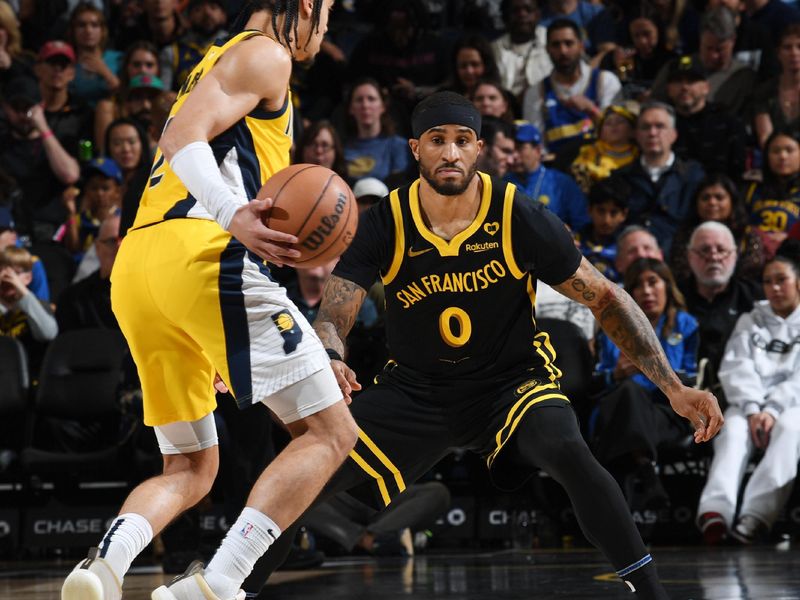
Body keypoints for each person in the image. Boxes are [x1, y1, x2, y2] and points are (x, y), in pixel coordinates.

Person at [241, 91, 723, 600]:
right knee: (302, 475)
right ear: (415, 149)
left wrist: (673, 388)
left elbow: (606, 298)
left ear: (478, 150)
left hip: (511, 384)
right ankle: (227, 585)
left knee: (569, 451)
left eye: (462, 141)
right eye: (437, 140)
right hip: (415, 392)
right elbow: (335, 317)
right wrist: (333, 357)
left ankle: (651, 593)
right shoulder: (385, 220)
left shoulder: (518, 215)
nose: (450, 152)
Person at [60, 3, 359, 600]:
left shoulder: (215, 61)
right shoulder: (265, 53)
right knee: (331, 433)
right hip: (204, 254)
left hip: (142, 269)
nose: (326, 29)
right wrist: (232, 215)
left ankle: (101, 567)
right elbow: (178, 139)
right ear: (303, 6)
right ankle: (218, 580)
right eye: (325, 12)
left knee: (192, 465)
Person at [697, 254, 800, 545]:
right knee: (732, 432)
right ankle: (715, 512)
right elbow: (735, 366)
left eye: (782, 280)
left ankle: (754, 517)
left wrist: (774, 407)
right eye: (768, 282)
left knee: (791, 430)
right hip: (748, 403)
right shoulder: (750, 319)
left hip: (793, 405)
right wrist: (755, 409)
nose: (775, 288)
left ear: (798, 283)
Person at [592, 258, 698, 513]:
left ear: (667, 286)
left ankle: (621, 494)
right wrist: (616, 374)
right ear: (629, 293)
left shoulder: (685, 324)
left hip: (663, 412)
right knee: (627, 392)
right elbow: (596, 380)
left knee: (631, 397)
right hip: (617, 406)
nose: (647, 291)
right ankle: (646, 471)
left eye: (653, 282)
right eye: (638, 285)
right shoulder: (612, 327)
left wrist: (658, 373)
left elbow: (691, 376)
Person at [679, 222, 763, 403]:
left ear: (734, 255)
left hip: (742, 395)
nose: (714, 256)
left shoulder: (756, 298)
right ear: (689, 256)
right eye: (704, 250)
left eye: (721, 250)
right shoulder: (674, 298)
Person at [608, 101, 705, 256]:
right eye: (645, 127)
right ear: (637, 134)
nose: (652, 133)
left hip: (681, 258)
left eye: (660, 126)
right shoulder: (620, 177)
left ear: (674, 134)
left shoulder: (693, 175)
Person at [522, 19, 622, 153]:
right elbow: (536, 147)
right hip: (556, 167)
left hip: (604, 161)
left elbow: (619, 137)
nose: (563, 51)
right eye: (556, 45)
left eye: (569, 43)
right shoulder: (535, 93)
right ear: (547, 49)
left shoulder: (606, 81)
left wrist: (591, 110)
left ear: (581, 46)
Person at [650, 6, 757, 116]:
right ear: (701, 39)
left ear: (733, 40)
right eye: (708, 48)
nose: (713, 56)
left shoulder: (744, 77)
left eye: (720, 50)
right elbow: (653, 106)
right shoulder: (675, 68)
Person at [670, 174, 764, 283]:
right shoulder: (684, 235)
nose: (712, 202)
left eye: (719, 198)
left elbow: (752, 271)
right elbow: (680, 271)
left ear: (732, 201)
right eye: (705, 198)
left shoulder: (747, 235)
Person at [666, 60, 746, 180]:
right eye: (678, 81)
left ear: (706, 87)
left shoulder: (728, 122)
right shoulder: (661, 124)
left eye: (691, 81)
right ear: (668, 89)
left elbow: (738, 170)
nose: (684, 87)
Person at [504, 122, 590, 231]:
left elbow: (582, 224)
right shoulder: (503, 183)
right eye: (510, 150)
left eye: (520, 148)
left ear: (538, 150)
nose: (514, 155)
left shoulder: (561, 183)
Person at [0, 246, 58, 375]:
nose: (7, 278)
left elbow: (48, 333)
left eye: (15, 272)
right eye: (1, 271)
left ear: (28, 278)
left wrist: (23, 293)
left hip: (29, 378)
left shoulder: (40, 307)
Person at [343, 78, 411, 186]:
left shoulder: (399, 146)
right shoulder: (342, 147)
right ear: (351, 108)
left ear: (382, 106)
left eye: (371, 99)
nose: (365, 105)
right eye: (359, 100)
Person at [744, 129, 800, 259]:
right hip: (755, 252)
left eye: (789, 150)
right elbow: (739, 222)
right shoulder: (751, 189)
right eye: (776, 151)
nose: (782, 156)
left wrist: (789, 238)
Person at [159, 0, 229, 91]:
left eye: (213, 7)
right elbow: (164, 94)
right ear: (188, 18)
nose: (207, 13)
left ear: (223, 15)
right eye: (198, 9)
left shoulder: (236, 45)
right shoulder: (172, 52)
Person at [569, 104, 638, 194]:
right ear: (600, 133)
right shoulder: (589, 153)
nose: (614, 125)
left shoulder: (640, 154)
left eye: (620, 121)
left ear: (633, 131)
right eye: (608, 123)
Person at [491, 0, 551, 97]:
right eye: (515, 10)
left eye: (528, 9)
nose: (522, 14)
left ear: (538, 14)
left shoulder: (551, 40)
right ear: (506, 16)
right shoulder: (493, 49)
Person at [575, 177, 630, 283]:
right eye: (601, 211)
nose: (606, 220)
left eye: (613, 213)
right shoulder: (574, 241)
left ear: (624, 215)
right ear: (590, 210)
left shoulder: (631, 247)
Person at [67, 2, 122, 107]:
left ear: (102, 30)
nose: (88, 30)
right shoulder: (66, 63)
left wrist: (106, 73)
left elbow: (127, 96)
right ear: (73, 30)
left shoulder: (118, 59)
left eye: (94, 25)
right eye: (81, 25)